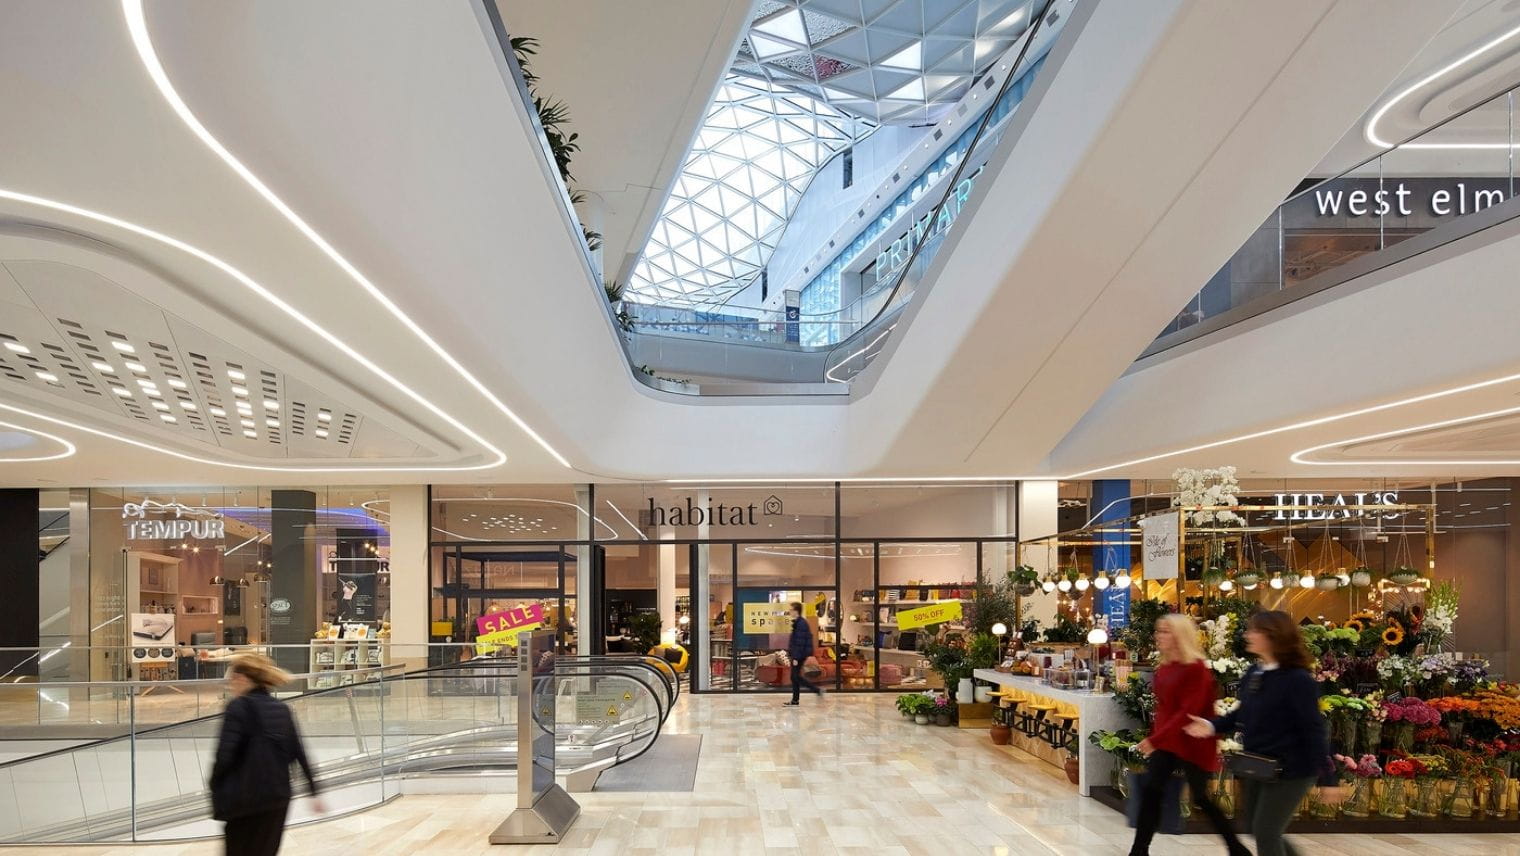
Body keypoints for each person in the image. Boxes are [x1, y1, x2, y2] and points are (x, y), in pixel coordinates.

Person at [1184, 611, 1343, 856]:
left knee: (1266, 830)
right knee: (1257, 828)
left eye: (1253, 631)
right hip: (1259, 765)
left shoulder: (1298, 680)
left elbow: (1313, 730)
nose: (1247, 635)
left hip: (1292, 770)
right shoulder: (1254, 674)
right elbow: (1241, 715)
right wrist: (1212, 726)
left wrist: (1329, 779)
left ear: (1273, 636)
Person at [1129, 614, 1248, 856]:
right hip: (1168, 739)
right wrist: (1156, 737)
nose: (1158, 636)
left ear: (1179, 636)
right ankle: (1139, 850)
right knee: (1152, 791)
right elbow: (1164, 709)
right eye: (1158, 631)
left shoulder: (1196, 669)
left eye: (1165, 631)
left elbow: (1187, 713)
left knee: (1201, 797)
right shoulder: (1164, 667)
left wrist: (1155, 739)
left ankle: (1236, 848)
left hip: (1194, 740)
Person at [210, 653, 323, 856]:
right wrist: (314, 790)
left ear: (242, 678)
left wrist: (215, 788)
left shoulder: (237, 707)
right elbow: (299, 752)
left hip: (245, 800)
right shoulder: (282, 709)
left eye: (231, 678)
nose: (230, 684)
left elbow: (224, 756)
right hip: (277, 798)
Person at [784, 601, 823, 705]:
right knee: (794, 677)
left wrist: (796, 657)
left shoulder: (801, 623)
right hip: (798, 654)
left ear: (796, 611)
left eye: (791, 610)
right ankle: (795, 700)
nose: (789, 612)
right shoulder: (798, 622)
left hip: (799, 655)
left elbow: (800, 642)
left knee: (795, 677)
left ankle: (816, 690)